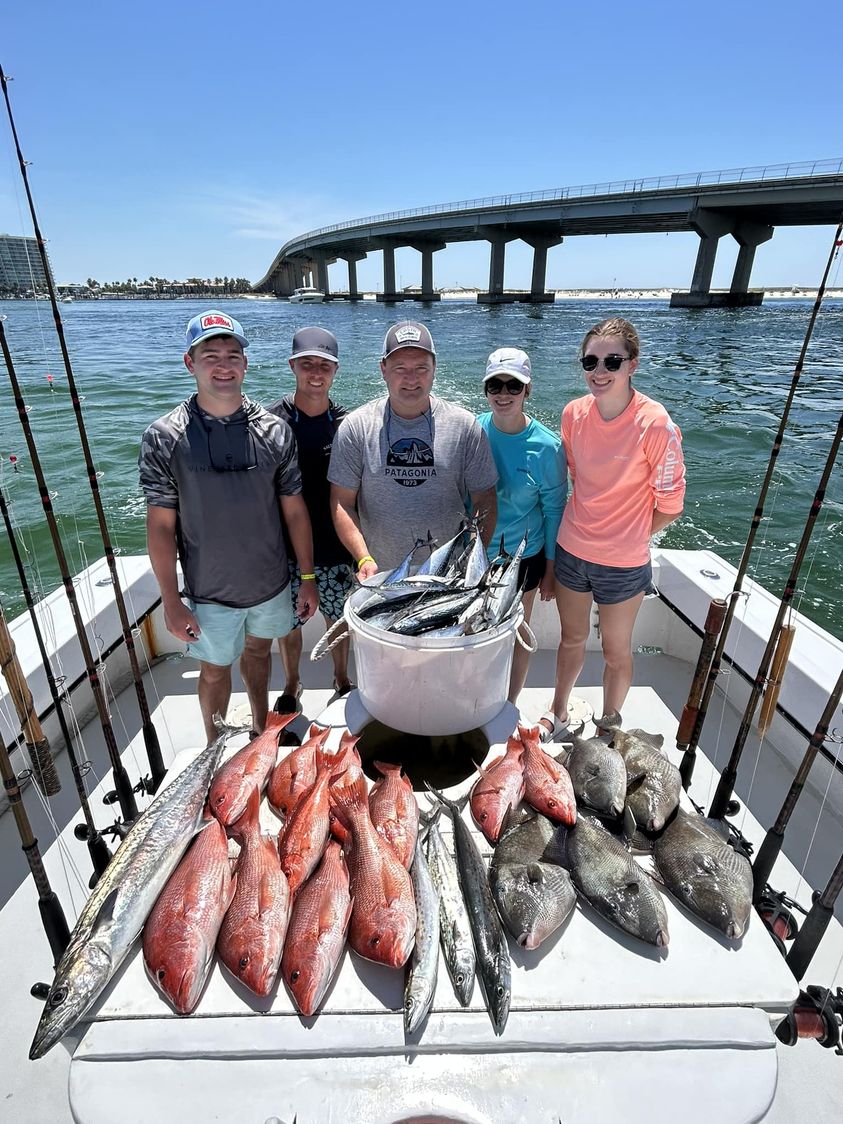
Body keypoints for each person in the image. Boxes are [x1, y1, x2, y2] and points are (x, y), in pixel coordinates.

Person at [139, 309, 319, 746]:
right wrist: (171, 601)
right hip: (208, 590)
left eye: (232, 356)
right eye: (211, 356)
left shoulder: (275, 431)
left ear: (245, 364)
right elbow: (161, 527)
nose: (223, 366)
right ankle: (213, 749)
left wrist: (307, 577)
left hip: (270, 582)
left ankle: (261, 732)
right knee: (214, 669)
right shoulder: (164, 436)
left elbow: (295, 511)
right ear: (190, 363)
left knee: (259, 652)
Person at [539, 317, 686, 743]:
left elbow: (671, 504)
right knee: (571, 639)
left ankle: (608, 727)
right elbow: (571, 477)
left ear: (632, 364)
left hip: (623, 564)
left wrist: (631, 534)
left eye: (612, 361)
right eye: (591, 361)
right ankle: (558, 711)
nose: (599, 371)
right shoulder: (573, 414)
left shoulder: (655, 423)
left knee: (616, 651)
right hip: (572, 551)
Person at [329, 320, 499, 579]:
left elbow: (484, 498)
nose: (411, 378)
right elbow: (341, 502)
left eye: (421, 368)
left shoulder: (465, 426)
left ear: (434, 369)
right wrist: (363, 557)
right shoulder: (356, 427)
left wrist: (474, 558)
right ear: (383, 369)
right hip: (379, 575)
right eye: (400, 368)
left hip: (448, 576)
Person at [268, 327, 354, 712]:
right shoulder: (269, 422)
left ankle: (342, 677)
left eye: (325, 365)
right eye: (307, 364)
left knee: (338, 619)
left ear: (336, 370)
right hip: (285, 547)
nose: (316, 372)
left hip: (336, 545)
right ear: (292, 366)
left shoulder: (347, 424)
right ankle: (292, 682)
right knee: (289, 623)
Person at [478, 347, 567, 704]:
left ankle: (510, 703)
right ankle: (477, 700)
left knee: (518, 629)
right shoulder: (471, 431)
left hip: (525, 557)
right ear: (485, 390)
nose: (503, 394)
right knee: (475, 631)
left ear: (527, 390)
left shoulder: (547, 447)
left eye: (513, 386)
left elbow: (554, 512)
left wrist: (551, 571)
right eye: (495, 386)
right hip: (475, 556)